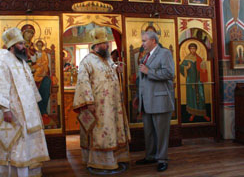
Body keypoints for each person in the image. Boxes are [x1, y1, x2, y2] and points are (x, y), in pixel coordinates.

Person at [0, 27, 49, 177]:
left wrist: (35, 108)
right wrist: (5, 110)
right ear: (12, 46)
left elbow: (31, 88)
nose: (24, 47)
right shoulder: (2, 64)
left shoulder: (22, 63)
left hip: (28, 113)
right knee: (16, 146)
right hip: (13, 112)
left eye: (24, 44)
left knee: (27, 145)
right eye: (20, 44)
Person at [73, 27, 130, 173]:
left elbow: (110, 75)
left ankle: (116, 159)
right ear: (97, 45)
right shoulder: (87, 61)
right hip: (99, 106)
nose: (108, 46)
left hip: (113, 105)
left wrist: (117, 70)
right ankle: (100, 163)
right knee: (101, 133)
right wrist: (89, 102)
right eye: (105, 44)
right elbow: (83, 82)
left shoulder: (108, 59)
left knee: (114, 131)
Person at [135, 31, 175, 172]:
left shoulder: (165, 53)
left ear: (153, 41)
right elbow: (142, 80)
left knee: (161, 133)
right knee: (149, 132)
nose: (142, 44)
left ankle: (162, 159)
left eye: (144, 41)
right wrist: (138, 97)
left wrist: (149, 71)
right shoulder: (146, 56)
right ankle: (150, 156)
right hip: (146, 101)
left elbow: (170, 73)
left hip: (160, 100)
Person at [180, 43, 210, 122]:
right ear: (189, 49)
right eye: (191, 48)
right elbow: (181, 67)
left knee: (201, 96)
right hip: (190, 81)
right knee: (191, 97)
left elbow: (203, 69)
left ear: (196, 49)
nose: (192, 50)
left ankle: (203, 114)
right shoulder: (187, 58)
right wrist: (187, 67)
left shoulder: (199, 58)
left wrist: (203, 64)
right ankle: (192, 113)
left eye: (194, 48)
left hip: (198, 80)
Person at [32, 40, 51, 115]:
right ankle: (37, 111)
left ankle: (43, 111)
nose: (39, 46)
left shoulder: (45, 54)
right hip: (35, 74)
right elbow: (32, 64)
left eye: (41, 45)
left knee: (45, 88)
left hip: (44, 73)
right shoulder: (33, 54)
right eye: (38, 45)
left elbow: (46, 64)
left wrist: (43, 72)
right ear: (36, 46)